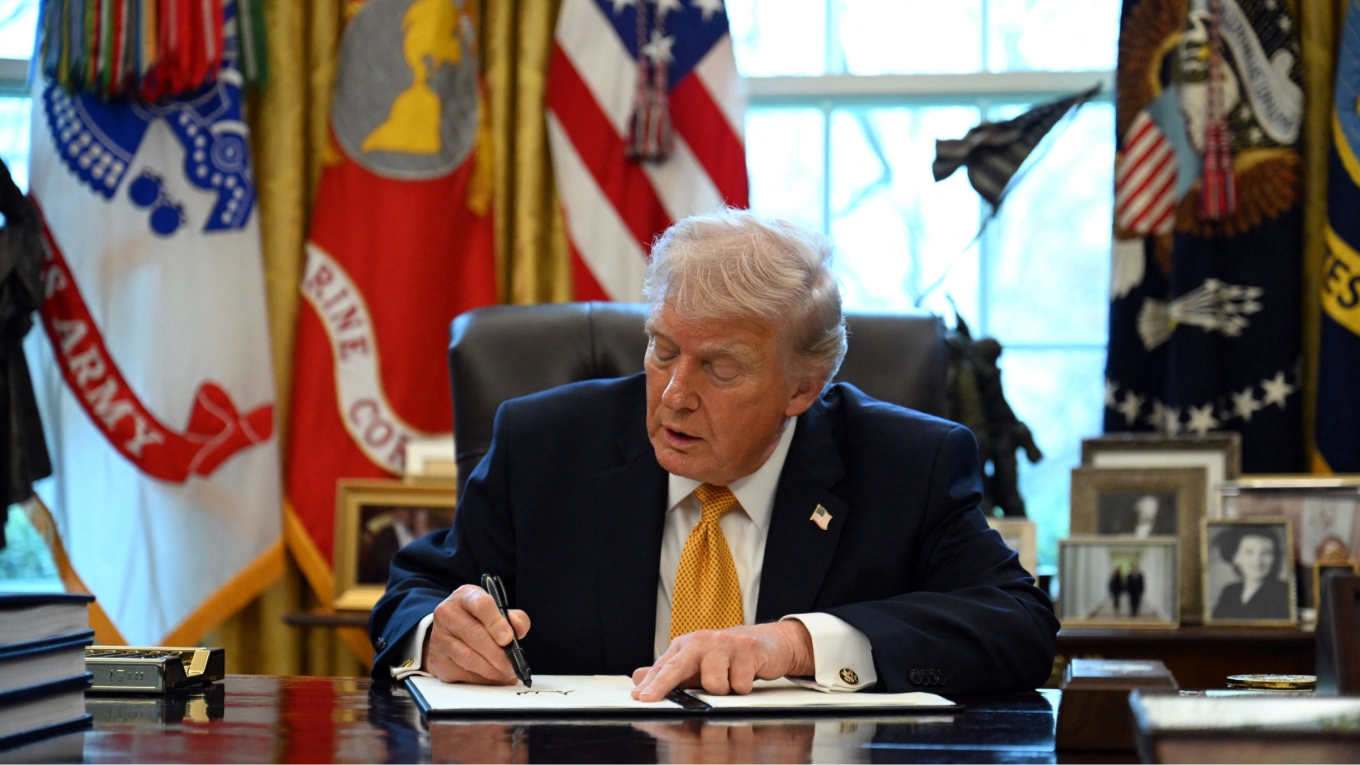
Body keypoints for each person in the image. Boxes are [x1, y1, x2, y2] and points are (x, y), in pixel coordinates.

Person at [368, 209, 1058, 698]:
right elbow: (418, 587)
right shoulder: (546, 445)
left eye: (720, 368)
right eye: (662, 349)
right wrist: (435, 632)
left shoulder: (905, 463)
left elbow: (1019, 625)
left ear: (803, 388)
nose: (674, 395)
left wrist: (794, 644)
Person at [1211, 527, 1291, 621]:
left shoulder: (1285, 592)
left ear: (1275, 558)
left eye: (1266, 553)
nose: (1257, 561)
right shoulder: (1229, 592)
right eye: (1249, 552)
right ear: (1235, 558)